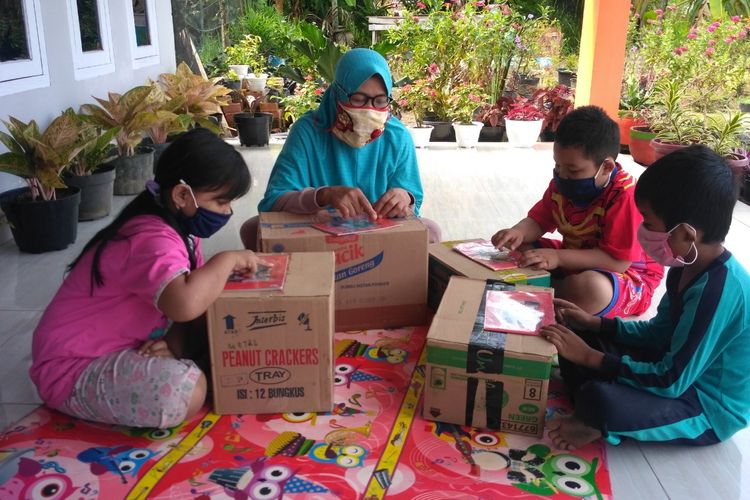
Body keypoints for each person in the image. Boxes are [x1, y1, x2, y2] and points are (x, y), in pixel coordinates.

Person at [30, 128, 260, 429]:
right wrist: (227, 259)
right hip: (71, 369)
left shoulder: (179, 231)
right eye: (221, 202)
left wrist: (175, 343)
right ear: (181, 194)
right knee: (186, 391)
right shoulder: (149, 238)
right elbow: (185, 304)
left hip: (124, 347)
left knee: (221, 319)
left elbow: (193, 305)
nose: (227, 211)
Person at [540, 145, 750, 449]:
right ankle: (601, 395)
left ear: (687, 235)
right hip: (673, 371)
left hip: (705, 404)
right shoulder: (684, 265)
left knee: (599, 401)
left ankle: (599, 411)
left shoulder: (718, 292)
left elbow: (671, 380)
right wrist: (596, 324)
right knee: (575, 333)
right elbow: (657, 334)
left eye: (649, 223)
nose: (642, 231)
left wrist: (589, 357)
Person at [240, 48, 441, 250]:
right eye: (358, 98)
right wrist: (324, 195)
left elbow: (413, 200)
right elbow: (275, 200)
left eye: (380, 101)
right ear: (339, 93)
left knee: (431, 231)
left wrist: (405, 197)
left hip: (379, 231)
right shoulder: (308, 131)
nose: (369, 109)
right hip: (317, 229)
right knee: (252, 229)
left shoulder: (397, 136)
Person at [491, 105, 663, 318]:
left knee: (591, 288)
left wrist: (558, 258)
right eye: (558, 165)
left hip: (627, 277)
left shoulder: (625, 196)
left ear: (606, 167)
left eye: (573, 170)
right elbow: (539, 220)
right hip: (576, 260)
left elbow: (617, 262)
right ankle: (554, 291)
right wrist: (517, 231)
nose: (562, 174)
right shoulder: (563, 182)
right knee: (519, 247)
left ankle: (547, 291)